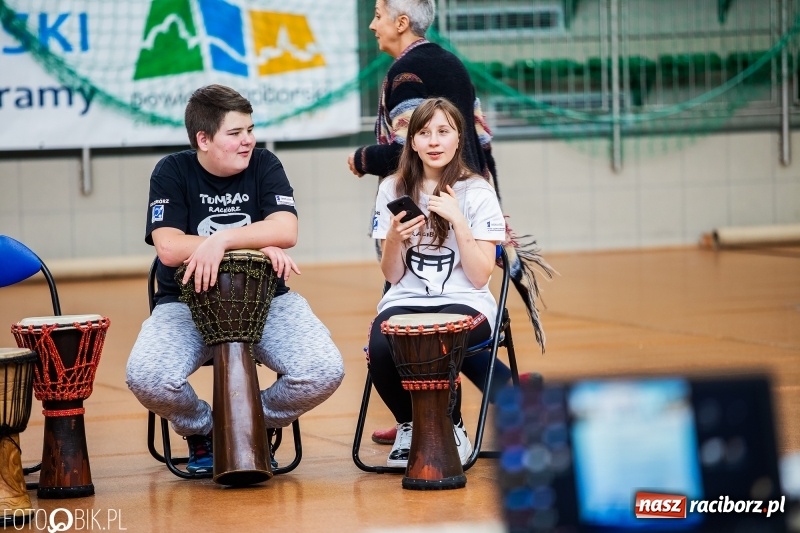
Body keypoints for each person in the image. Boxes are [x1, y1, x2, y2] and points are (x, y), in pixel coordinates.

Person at [126, 84, 345, 474]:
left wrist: (221, 241)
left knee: (323, 370)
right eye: (236, 133)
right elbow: (170, 248)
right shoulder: (172, 171)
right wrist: (257, 242)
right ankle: (208, 431)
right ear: (204, 139)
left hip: (266, 302)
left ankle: (252, 424)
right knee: (148, 378)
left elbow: (286, 229)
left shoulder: (265, 164)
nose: (248, 141)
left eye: (250, 130)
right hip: (185, 305)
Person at [348, 0, 515, 447]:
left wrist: (361, 158)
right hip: (459, 195)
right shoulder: (450, 63)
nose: (373, 23)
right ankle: (423, 416)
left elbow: (405, 147)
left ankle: (435, 419)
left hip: (462, 202)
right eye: (429, 133)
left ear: (401, 23)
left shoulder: (407, 73)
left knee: (438, 316)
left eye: (379, 14)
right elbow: (482, 140)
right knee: (409, 311)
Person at [367, 97, 507, 467]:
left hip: (466, 300)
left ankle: (451, 424)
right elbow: (393, 275)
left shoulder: (477, 191)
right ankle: (410, 425)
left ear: (458, 139)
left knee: (439, 340)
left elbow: (479, 276)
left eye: (443, 132)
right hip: (407, 298)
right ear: (411, 141)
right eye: (424, 133)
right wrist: (395, 237)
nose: (433, 141)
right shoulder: (392, 189)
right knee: (381, 345)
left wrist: (459, 221)